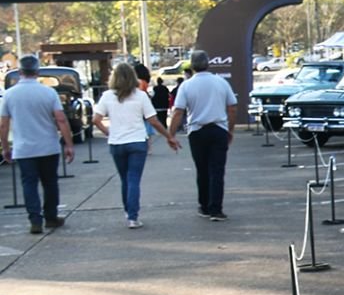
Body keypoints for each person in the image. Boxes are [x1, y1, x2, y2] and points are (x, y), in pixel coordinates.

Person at [94, 61, 179, 227]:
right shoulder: (140, 96)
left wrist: (108, 133)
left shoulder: (107, 96)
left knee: (124, 178)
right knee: (134, 178)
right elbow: (153, 120)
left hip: (117, 143)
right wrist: (169, 136)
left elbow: (96, 120)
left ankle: (128, 211)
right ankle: (133, 216)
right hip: (137, 142)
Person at [0, 54, 76, 234]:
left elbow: (3, 124)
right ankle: (50, 216)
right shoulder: (48, 92)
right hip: (48, 146)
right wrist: (69, 144)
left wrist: (5, 147)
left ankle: (35, 219)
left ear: (20, 72)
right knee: (50, 182)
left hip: (24, 148)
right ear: (37, 71)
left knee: (29, 183)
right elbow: (61, 119)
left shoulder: (9, 95)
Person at [167, 50, 239, 221]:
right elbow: (232, 107)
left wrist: (171, 134)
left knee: (202, 170)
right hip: (218, 129)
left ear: (192, 66)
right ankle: (216, 209)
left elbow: (178, 112)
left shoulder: (186, 85)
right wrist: (230, 129)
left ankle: (204, 205)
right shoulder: (221, 82)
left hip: (197, 131)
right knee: (217, 170)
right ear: (208, 63)